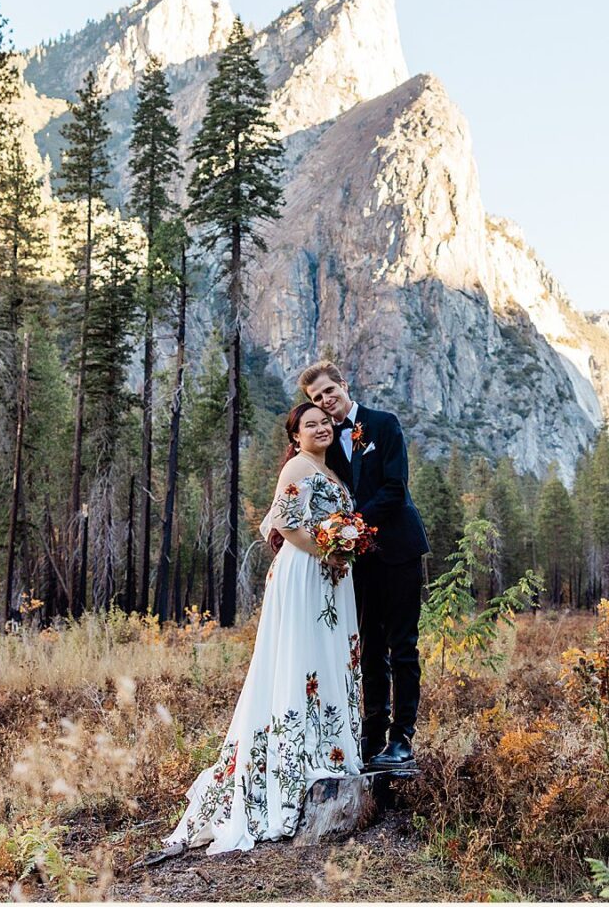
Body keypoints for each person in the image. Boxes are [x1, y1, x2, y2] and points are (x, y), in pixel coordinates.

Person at [160, 402, 364, 855]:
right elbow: (287, 525)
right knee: (302, 658)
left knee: (331, 657)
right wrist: (326, 552)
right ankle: (292, 763)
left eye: (325, 421)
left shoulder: (330, 471)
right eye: (310, 424)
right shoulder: (297, 466)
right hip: (306, 573)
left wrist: (345, 547)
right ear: (296, 436)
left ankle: (329, 749)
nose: (321, 427)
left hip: (333, 577)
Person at [300, 360, 429, 771]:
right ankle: (372, 735)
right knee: (369, 649)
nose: (325, 401)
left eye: (328, 391)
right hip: (359, 561)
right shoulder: (326, 442)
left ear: (343, 384)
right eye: (317, 399)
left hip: (399, 551)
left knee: (402, 646)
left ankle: (402, 739)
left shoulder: (383, 425)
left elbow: (395, 487)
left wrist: (354, 524)